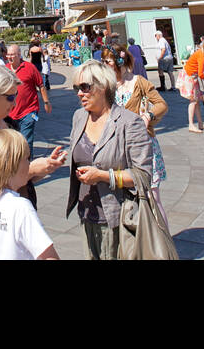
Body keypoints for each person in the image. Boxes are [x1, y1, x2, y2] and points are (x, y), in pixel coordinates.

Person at [0, 65, 66, 259]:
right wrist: (33, 168)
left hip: (15, 223)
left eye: (15, 95)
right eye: (10, 97)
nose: (15, 102)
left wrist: (44, 168)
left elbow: (19, 174)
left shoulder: (9, 123)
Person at [65, 60, 152, 259]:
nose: (79, 93)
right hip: (86, 213)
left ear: (103, 86)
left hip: (117, 218)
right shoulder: (79, 117)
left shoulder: (129, 123)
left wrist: (103, 176)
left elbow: (143, 176)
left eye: (85, 87)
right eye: (77, 88)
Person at [104, 46, 169, 219]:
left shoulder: (138, 82)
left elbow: (161, 104)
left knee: (152, 196)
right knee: (125, 199)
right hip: (119, 148)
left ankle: (163, 241)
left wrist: (149, 115)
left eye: (108, 61)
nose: (105, 65)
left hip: (143, 146)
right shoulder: (107, 87)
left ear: (120, 62)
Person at [0, 128, 59, 260]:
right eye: (26, 158)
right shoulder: (21, 207)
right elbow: (48, 256)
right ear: (11, 165)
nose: (29, 163)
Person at [6, 43, 51, 155]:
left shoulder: (29, 67)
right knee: (13, 142)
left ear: (19, 55)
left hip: (30, 111)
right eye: (8, 55)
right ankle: (16, 166)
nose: (10, 57)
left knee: (26, 140)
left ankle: (27, 166)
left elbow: (41, 85)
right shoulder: (4, 69)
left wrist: (46, 102)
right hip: (10, 113)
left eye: (12, 55)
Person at [181, 44, 204, 133]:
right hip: (190, 76)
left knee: (197, 101)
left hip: (192, 76)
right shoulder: (201, 55)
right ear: (203, 47)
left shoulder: (201, 54)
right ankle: (191, 124)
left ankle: (200, 123)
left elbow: (201, 66)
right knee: (193, 100)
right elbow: (201, 74)